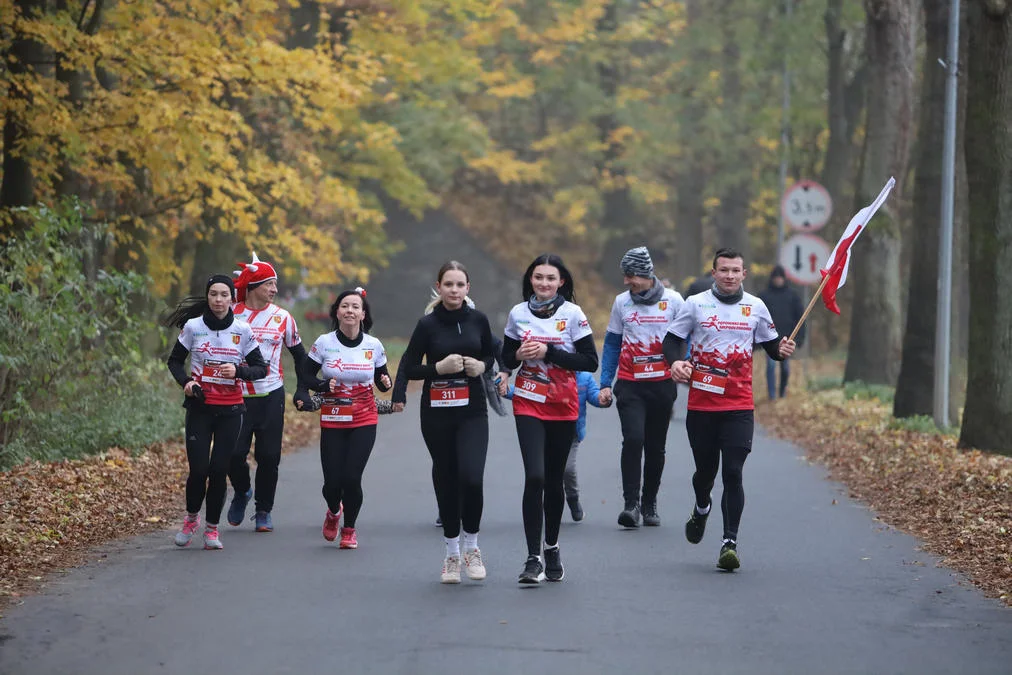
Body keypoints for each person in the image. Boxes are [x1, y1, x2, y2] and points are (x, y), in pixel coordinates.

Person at [662, 248, 795, 571]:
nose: (730, 276)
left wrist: (782, 350)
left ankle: (729, 543)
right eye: (724, 270)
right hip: (703, 404)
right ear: (714, 272)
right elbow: (670, 340)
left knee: (733, 472)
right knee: (705, 474)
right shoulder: (695, 305)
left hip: (739, 404)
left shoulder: (756, 307)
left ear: (744, 274)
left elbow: (772, 347)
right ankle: (702, 506)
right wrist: (676, 362)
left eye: (736, 270)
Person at [393, 261, 497, 584]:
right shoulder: (427, 325)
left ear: (468, 288)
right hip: (437, 412)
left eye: (460, 285)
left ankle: (472, 547)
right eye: (448, 284)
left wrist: (481, 366)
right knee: (447, 479)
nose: (454, 290)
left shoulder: (478, 320)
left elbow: (494, 354)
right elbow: (409, 367)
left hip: (472, 411)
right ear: (438, 287)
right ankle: (451, 554)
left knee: (472, 477)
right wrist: (439, 368)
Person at [502, 254, 598, 584]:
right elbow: (506, 357)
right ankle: (532, 559)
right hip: (528, 401)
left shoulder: (572, 314)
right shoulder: (518, 313)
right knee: (535, 477)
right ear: (531, 280)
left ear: (561, 283)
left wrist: (549, 352)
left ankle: (552, 547)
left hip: (563, 404)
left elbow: (589, 361)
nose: (544, 283)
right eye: (538, 277)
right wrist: (515, 357)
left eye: (550, 278)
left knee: (554, 481)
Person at [165, 275, 269, 550]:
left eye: (224, 294)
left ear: (232, 299)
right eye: (214, 294)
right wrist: (187, 382)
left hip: (232, 410)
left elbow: (261, 369)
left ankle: (212, 530)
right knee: (198, 470)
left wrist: (239, 372)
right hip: (200, 407)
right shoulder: (193, 327)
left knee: (219, 470)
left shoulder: (242, 330)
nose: (219, 300)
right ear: (208, 297)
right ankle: (190, 520)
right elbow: (174, 361)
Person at [299, 287, 391, 550]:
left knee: (352, 478)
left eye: (355, 307)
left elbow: (383, 381)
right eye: (345, 306)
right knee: (332, 484)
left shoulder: (373, 346)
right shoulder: (324, 343)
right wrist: (322, 386)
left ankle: (349, 529)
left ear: (363, 314)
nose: (350, 310)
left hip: (364, 417)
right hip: (333, 417)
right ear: (337, 312)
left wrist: (385, 382)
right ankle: (332, 511)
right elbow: (306, 376)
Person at [599, 247, 684, 528]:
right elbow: (612, 344)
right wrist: (605, 383)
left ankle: (650, 503)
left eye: (631, 275)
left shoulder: (673, 301)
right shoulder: (622, 302)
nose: (627, 281)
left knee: (656, 446)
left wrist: (685, 365)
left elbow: (687, 338)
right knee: (634, 439)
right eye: (625, 276)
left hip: (662, 384)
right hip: (630, 384)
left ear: (647, 274)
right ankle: (631, 504)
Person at [226, 253, 307, 533]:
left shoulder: (283, 318)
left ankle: (263, 510)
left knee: (269, 456)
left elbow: (299, 356)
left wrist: (302, 388)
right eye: (269, 284)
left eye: (275, 284)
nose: (274, 290)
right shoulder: (231, 314)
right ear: (253, 286)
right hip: (236, 395)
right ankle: (242, 490)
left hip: (271, 393)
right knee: (233, 454)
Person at [758, 264, 805, 400]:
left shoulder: (792, 296)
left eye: (780, 277)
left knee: (785, 369)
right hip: (769, 339)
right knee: (771, 367)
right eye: (776, 277)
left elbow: (800, 317)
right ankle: (772, 395)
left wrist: (799, 337)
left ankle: (782, 392)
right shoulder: (764, 296)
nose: (778, 280)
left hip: (788, 337)